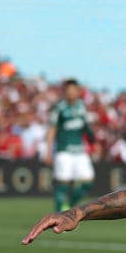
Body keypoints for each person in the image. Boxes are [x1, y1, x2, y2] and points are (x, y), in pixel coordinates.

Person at [46, 78, 95, 212]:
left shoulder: (81, 107)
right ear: (65, 92)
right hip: (64, 151)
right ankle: (58, 215)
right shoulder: (59, 108)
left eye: (74, 90)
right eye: (69, 90)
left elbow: (86, 127)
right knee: (63, 184)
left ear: (78, 91)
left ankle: (69, 206)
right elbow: (52, 129)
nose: (71, 93)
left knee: (88, 182)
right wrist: (48, 151)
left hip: (80, 151)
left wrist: (93, 141)